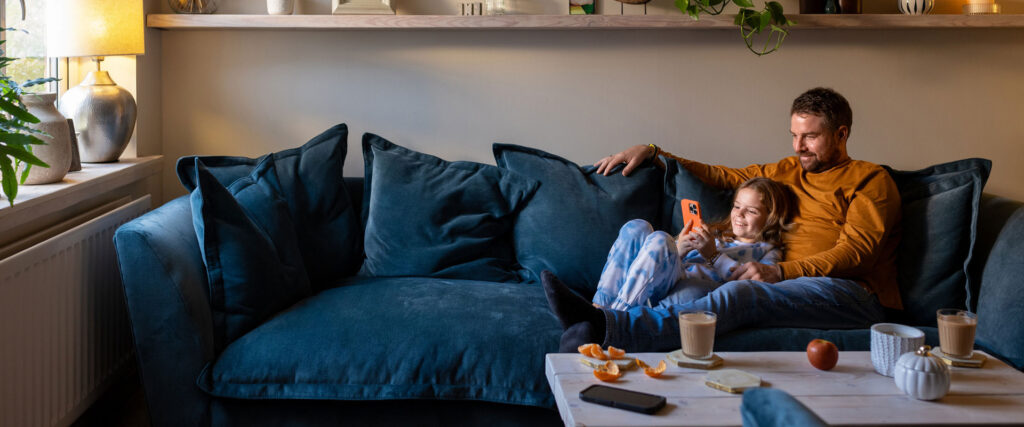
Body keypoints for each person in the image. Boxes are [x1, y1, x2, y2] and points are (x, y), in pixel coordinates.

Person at [542, 87, 902, 352]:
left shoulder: (870, 179)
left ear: (841, 134)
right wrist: (655, 153)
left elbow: (858, 253)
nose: (798, 147)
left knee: (742, 292)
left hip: (848, 292)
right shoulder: (787, 170)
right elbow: (725, 176)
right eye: (794, 135)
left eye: (810, 137)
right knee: (663, 249)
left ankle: (611, 329)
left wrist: (780, 272)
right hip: (783, 282)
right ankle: (597, 313)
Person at [594, 177, 794, 311]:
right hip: (666, 275)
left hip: (688, 287)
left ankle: (616, 316)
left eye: (751, 211)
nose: (739, 215)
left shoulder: (767, 251)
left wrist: (713, 255)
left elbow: (754, 285)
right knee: (638, 226)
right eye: (736, 206)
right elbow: (657, 258)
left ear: (771, 217)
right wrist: (679, 248)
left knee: (661, 238)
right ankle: (598, 307)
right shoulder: (716, 233)